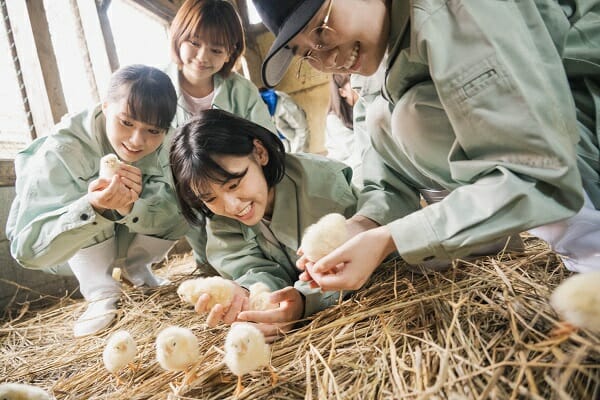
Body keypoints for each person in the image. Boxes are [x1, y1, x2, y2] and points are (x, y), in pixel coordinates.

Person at [252, 0, 600, 290]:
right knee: (385, 118)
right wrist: (361, 227)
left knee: (412, 117)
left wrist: (393, 239)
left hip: (581, 119)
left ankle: (588, 240)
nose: (327, 60)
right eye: (306, 53)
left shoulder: (453, 11)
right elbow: (384, 172)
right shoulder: (377, 51)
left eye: (322, 29)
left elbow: (537, 170)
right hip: (556, 139)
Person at [6, 65, 189, 337]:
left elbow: (180, 212)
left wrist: (130, 208)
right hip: (61, 251)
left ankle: (136, 271)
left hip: (127, 236)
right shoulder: (61, 150)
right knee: (94, 197)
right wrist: (93, 207)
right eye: (126, 122)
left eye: (153, 130)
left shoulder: (171, 142)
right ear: (105, 106)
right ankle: (100, 290)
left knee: (189, 197)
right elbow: (27, 251)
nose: (137, 141)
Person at [169, 109, 358, 341]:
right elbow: (252, 269)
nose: (231, 206)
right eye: (209, 198)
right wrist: (250, 294)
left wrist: (304, 300)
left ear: (259, 153)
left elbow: (352, 260)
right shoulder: (219, 219)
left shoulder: (325, 188)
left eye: (234, 184)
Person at [164, 0, 277, 272]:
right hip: (183, 188)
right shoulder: (158, 89)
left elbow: (268, 139)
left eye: (216, 49)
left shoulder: (242, 91)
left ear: (230, 53)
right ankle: (205, 264)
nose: (203, 56)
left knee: (236, 229)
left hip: (230, 181)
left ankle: (253, 263)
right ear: (177, 37)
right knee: (196, 224)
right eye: (194, 42)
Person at [259, 87, 311, 153]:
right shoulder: (258, 112)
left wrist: (298, 154)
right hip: (282, 142)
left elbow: (302, 129)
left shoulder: (284, 105)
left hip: (296, 141)